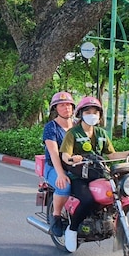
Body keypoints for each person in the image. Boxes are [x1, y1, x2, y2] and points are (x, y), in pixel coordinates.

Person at [59, 96, 129, 252]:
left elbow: (112, 155)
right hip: (79, 175)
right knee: (88, 200)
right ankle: (72, 229)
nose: (92, 115)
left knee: (120, 195)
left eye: (95, 112)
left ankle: (112, 224)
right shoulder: (73, 133)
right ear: (81, 114)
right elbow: (65, 156)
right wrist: (73, 158)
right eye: (88, 111)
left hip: (99, 173)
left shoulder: (101, 133)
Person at [42, 92, 76, 237]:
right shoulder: (51, 127)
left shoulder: (79, 126)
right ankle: (56, 216)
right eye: (62, 105)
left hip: (77, 167)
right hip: (54, 167)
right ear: (56, 108)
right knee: (64, 186)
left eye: (68, 105)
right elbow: (54, 153)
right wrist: (61, 174)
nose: (66, 108)